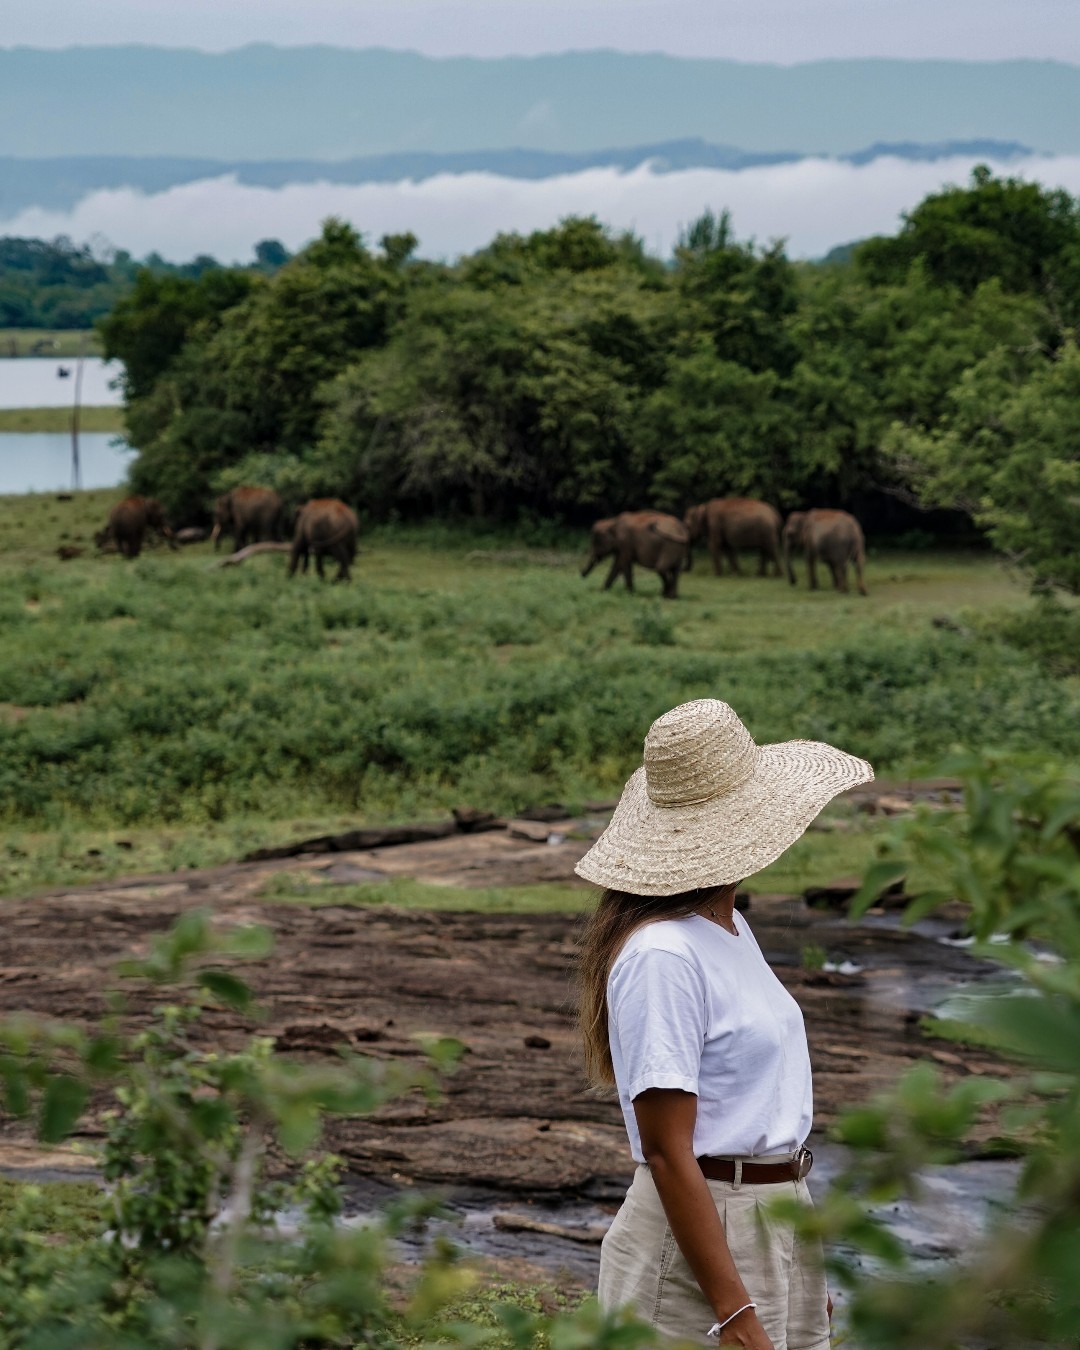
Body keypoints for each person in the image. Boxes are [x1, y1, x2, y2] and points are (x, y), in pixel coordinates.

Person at [576, 698, 873, 1348]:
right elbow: (666, 1151)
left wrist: (796, 1260)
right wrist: (735, 1311)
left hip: (773, 1214)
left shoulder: (729, 925)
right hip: (707, 1231)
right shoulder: (662, 954)